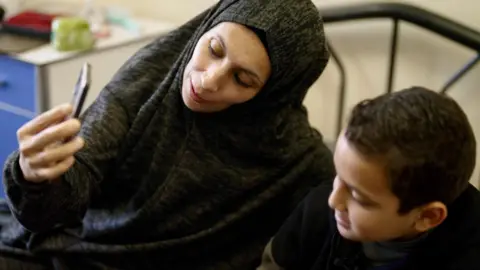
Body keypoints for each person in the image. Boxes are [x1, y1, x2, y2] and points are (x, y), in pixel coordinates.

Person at [1, 0, 335, 269]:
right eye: (215, 50)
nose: (207, 81)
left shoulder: (300, 165)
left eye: (242, 80)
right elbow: (53, 208)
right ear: (205, 27)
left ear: (271, 96)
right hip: (84, 248)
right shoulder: (145, 84)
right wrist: (35, 176)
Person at [258, 86, 480, 270]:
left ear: (428, 216)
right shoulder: (318, 212)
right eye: (338, 176)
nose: (334, 200)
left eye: (358, 196)